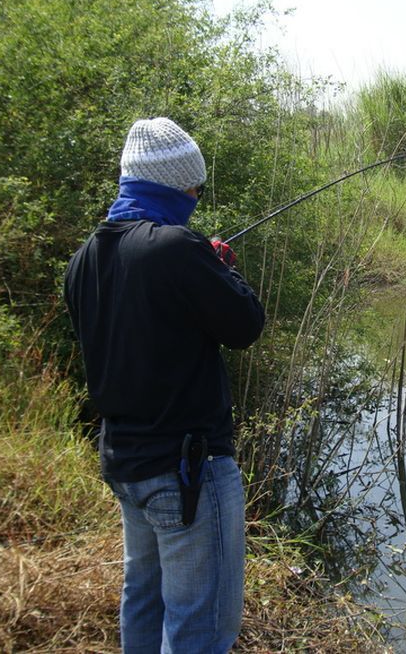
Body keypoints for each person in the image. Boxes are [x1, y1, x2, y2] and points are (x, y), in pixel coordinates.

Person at [64, 117, 265, 653]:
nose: (197, 198)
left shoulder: (84, 259)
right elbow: (245, 326)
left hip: (126, 464)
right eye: (195, 188)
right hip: (188, 471)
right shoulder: (177, 247)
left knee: (145, 601)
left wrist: (206, 267)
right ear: (177, 185)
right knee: (198, 624)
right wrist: (223, 269)